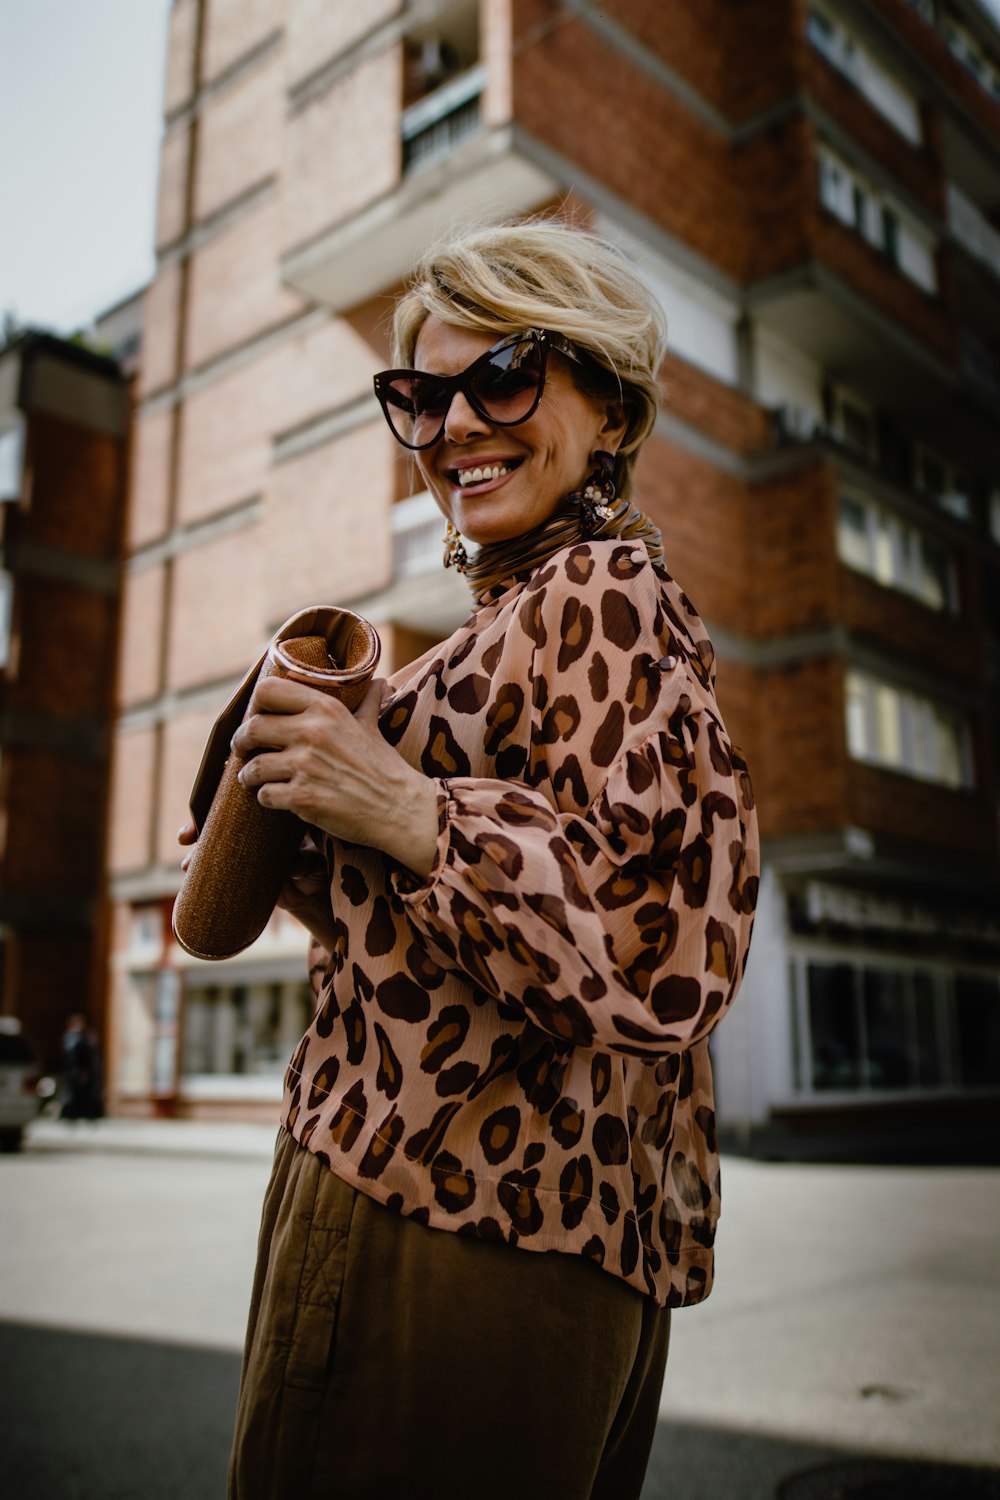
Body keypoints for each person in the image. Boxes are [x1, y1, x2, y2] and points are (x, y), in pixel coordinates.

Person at [198, 219, 759, 1500]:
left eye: (502, 376)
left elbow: (662, 947)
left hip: (456, 1223)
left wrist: (407, 810)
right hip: (485, 1214)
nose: (453, 424)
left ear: (608, 410)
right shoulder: (515, 621)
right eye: (419, 395)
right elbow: (441, 940)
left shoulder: (599, 594)